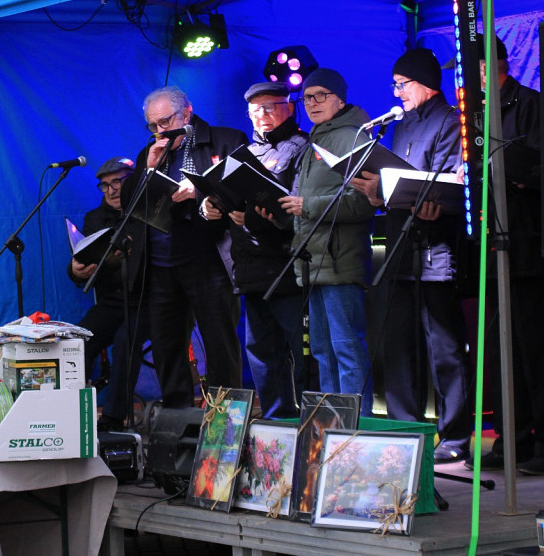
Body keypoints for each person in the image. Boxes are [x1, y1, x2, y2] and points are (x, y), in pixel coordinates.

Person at [351, 48, 472, 460]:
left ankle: (455, 437)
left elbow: (445, 182)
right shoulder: (401, 125)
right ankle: (406, 432)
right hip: (401, 245)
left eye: (401, 84)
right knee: (398, 343)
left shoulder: (450, 119)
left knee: (445, 347)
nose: (397, 92)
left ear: (424, 82)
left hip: (437, 245)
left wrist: (394, 193)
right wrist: (375, 190)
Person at [470, 35, 544, 475]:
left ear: (496, 65)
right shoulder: (475, 117)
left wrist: (513, 174)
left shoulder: (530, 105)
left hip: (531, 246)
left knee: (536, 350)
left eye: (476, 69)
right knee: (502, 351)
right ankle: (515, 439)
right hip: (495, 248)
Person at [122, 86, 248, 409]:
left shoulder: (225, 140)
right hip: (161, 266)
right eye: (153, 126)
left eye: (166, 122)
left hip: (208, 261)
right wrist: (148, 170)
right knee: (166, 347)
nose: (161, 131)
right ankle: (177, 425)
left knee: (219, 344)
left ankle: (224, 425)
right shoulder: (151, 150)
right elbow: (129, 205)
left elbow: (244, 193)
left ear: (187, 113)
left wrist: (201, 192)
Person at [202, 81, 311, 418]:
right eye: (255, 110)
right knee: (261, 353)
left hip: (289, 267)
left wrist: (250, 216)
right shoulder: (241, 154)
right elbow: (224, 196)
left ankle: (313, 423)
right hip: (250, 270)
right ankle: (277, 421)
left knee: (303, 353)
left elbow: (296, 211)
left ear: (289, 107)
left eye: (270, 107)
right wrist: (208, 205)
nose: (262, 115)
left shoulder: (305, 148)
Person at [277, 68, 376, 416]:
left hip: (340, 261)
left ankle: (358, 431)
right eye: (307, 97)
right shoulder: (314, 142)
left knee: (347, 349)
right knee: (322, 350)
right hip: (314, 262)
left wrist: (307, 207)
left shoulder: (352, 137)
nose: (313, 103)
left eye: (321, 95)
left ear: (340, 98)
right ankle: (333, 428)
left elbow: (364, 201)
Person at [68, 156, 153, 431]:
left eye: (118, 182)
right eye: (105, 185)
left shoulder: (149, 211)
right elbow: (84, 257)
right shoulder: (95, 218)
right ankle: (71, 412)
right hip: (112, 301)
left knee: (125, 342)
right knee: (78, 341)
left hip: (147, 301)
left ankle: (115, 419)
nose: (112, 190)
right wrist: (76, 269)